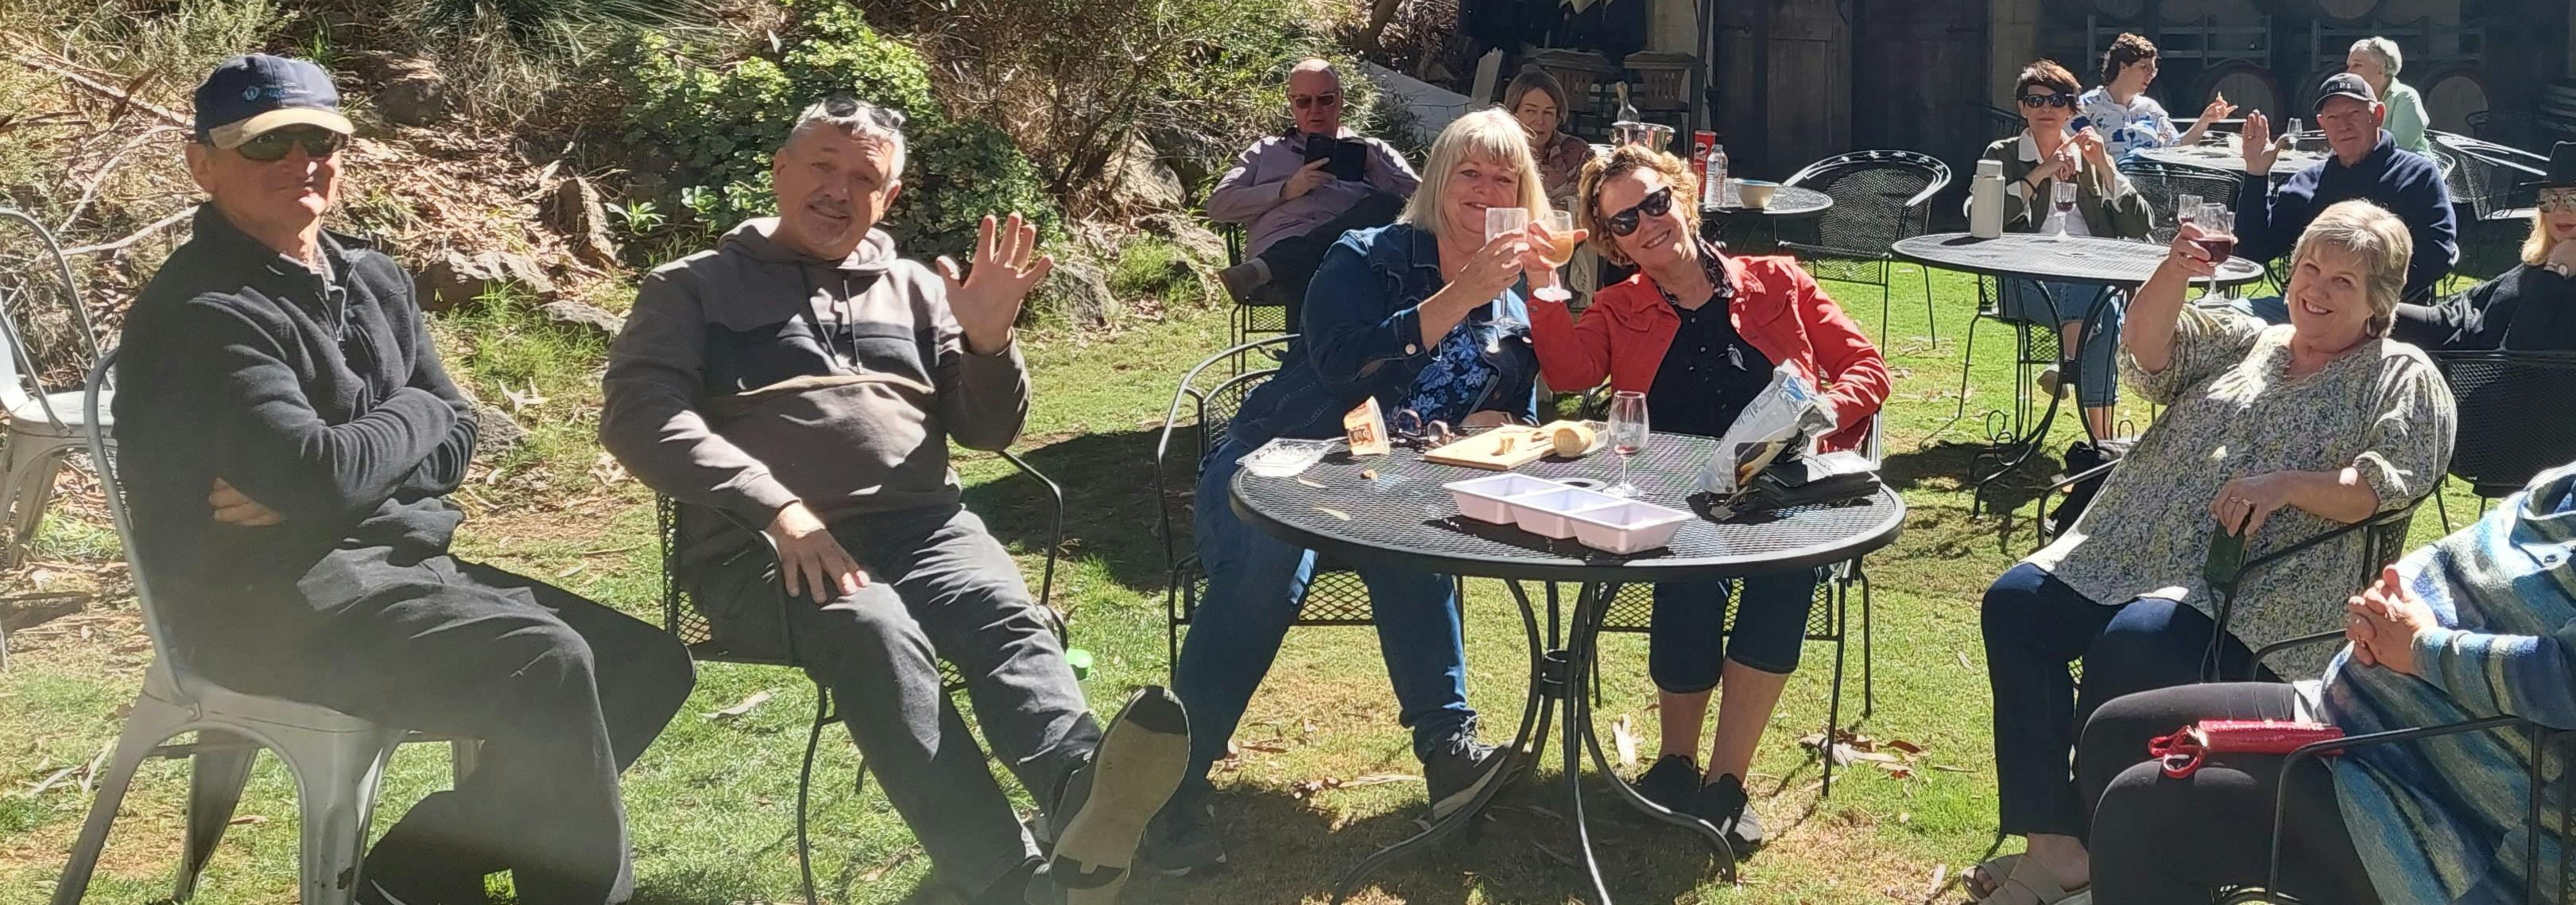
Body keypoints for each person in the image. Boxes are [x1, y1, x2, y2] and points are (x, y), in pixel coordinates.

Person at [114, 55, 694, 905]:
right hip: (262, 608)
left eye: (319, 140)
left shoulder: (371, 276)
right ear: (203, 164)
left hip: (401, 573)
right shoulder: (203, 312)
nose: (300, 161)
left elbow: (449, 443)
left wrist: (356, 463)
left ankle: (414, 870)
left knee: (647, 663)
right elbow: (337, 470)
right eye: (266, 144)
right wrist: (411, 417)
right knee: (544, 661)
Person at [602, 99, 1189, 905]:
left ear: (890, 197)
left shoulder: (917, 288)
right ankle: (1006, 876)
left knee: (1001, 608)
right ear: (780, 169)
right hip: (761, 547)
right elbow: (639, 417)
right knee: (873, 627)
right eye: (823, 167)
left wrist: (988, 340)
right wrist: (776, 506)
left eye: (865, 178)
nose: (840, 191)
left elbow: (987, 430)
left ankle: (1080, 794)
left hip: (925, 528)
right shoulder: (692, 288)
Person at [2070, 276, 2576, 905]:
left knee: (2145, 809)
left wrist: (2420, 647)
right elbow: (2461, 564)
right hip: (2363, 730)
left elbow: (2575, 682)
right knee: (2116, 735)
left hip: (2450, 828)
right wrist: (2386, 610)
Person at [1966, 203, 2456, 905]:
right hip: (2125, 548)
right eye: (2310, 268)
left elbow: (2380, 487)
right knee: (2016, 606)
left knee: (2134, 644)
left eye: (2343, 282)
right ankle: (2058, 842)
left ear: (2379, 302)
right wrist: (2174, 269)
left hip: (2260, 586)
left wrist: (2285, 485)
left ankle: (2099, 849)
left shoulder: (2399, 373)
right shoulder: (2253, 338)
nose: (2316, 289)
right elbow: (2148, 351)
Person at [1152, 108, 1551, 866]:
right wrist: (1458, 293)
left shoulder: (1515, 295)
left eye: (1505, 177)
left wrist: (1498, 421)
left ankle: (1449, 755)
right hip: (1277, 465)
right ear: (1438, 181)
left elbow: (1518, 410)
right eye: (1469, 172)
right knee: (1270, 562)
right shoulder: (1366, 256)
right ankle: (1166, 787)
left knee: (1411, 538)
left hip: (1390, 487)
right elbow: (1341, 364)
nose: (1486, 189)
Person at [1529, 145, 1888, 848]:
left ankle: (1727, 780)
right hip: (1677, 498)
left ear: (1684, 198)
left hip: (1781, 493)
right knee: (1688, 573)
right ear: (1614, 243)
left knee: (1786, 577)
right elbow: (1569, 373)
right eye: (1625, 222)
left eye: (1655, 203)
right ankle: (1675, 764)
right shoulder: (1618, 306)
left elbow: (1866, 367)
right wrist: (1544, 283)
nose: (1648, 224)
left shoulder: (1779, 281)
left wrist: (1820, 413)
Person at [1976, 60, 2155, 442]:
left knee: (2103, 307)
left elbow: (2140, 225)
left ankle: (2076, 386)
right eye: (2035, 100)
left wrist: (2105, 166)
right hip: (2025, 281)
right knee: (2101, 303)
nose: (2046, 108)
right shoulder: (2003, 153)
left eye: (2058, 100)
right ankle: (2103, 440)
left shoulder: (2089, 157)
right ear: (2022, 107)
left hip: (2088, 276)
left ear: (2071, 109)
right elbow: (1982, 216)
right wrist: (2041, 172)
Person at [2389, 141, 2576, 355]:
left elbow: (2523, 349)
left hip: (2499, 403)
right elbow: (2455, 314)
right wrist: (2374, 313)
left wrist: (2557, 273)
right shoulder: (2538, 267)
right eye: (2549, 199)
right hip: (2453, 359)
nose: (2559, 210)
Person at [1210, 59, 1420, 317]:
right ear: (1291, 103)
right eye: (1303, 102)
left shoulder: (1372, 150)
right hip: (1300, 253)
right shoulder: (1266, 151)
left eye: (1325, 100)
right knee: (1327, 269)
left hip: (1350, 255)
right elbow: (1218, 206)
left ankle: (1269, 267)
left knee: (1381, 208)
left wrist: (1375, 167)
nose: (1315, 110)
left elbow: (1425, 202)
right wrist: (1286, 189)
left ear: (1340, 99)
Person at [2236, 73, 2462, 309]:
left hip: (2384, 313)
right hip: (2304, 308)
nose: (2343, 126)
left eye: (2353, 114)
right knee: (2225, 316)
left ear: (2378, 115)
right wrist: (2256, 173)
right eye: (2333, 117)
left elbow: (2437, 255)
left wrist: (2360, 296)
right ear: (2322, 123)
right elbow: (2255, 249)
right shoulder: (2309, 182)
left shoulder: (2416, 175)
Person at [2078, 33, 2228, 165]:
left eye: (2153, 70)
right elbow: (2071, 149)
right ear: (2123, 67)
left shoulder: (2151, 109)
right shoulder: (2087, 106)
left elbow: (2177, 148)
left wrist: (2205, 120)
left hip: (2151, 181)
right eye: (2145, 68)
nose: (2150, 75)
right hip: (2108, 183)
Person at [1501, 66, 1595, 207]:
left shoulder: (1579, 154)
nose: (1540, 121)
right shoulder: (1496, 153)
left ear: (1557, 118)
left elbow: (1591, 205)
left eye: (1548, 113)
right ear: (1513, 114)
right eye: (1531, 111)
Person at [2347, 39, 2431, 161]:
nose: (2349, 72)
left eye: (2357, 65)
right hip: (2368, 165)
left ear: (2381, 68)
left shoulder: (2405, 97)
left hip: (2410, 168)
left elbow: (2398, 146)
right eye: (2349, 66)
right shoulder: (2354, 100)